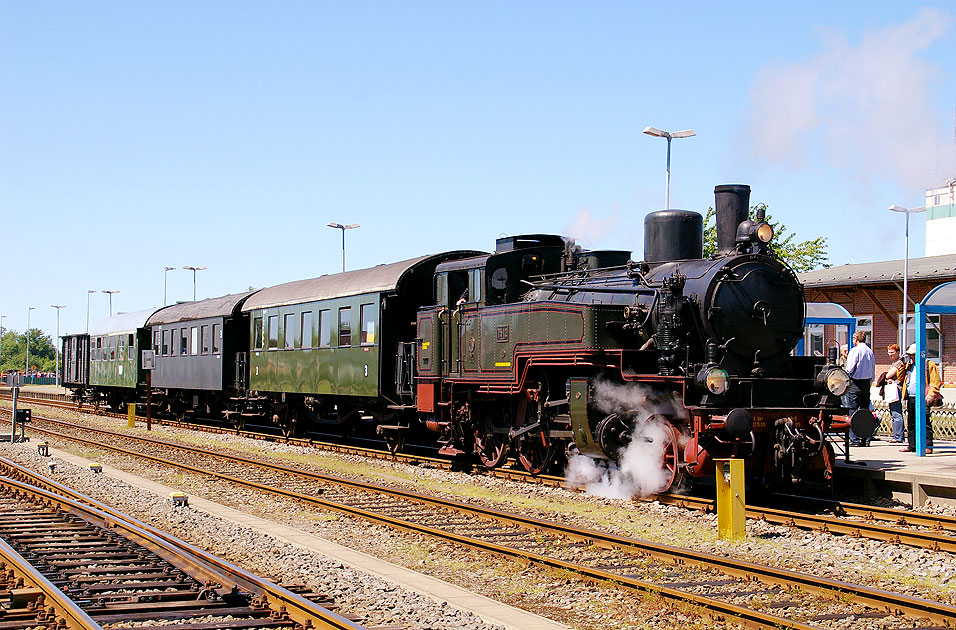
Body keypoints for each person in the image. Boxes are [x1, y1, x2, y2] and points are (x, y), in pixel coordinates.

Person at [899, 343, 941, 454]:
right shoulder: (909, 365)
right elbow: (900, 377)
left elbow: (936, 381)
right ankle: (912, 445)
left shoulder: (928, 364)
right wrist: (902, 364)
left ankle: (927, 445)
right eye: (910, 355)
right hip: (911, 397)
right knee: (911, 422)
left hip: (923, 398)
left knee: (925, 421)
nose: (911, 357)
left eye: (913, 354)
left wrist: (931, 395)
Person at [845, 331, 875, 446]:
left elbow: (850, 368)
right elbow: (872, 369)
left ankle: (854, 439)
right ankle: (866, 439)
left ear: (856, 339)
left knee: (853, 410)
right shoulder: (870, 351)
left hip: (855, 382)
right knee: (865, 411)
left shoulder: (855, 351)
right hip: (866, 383)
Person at [883, 344, 905, 443]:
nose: (890, 354)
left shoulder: (898, 363)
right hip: (895, 389)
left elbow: (888, 375)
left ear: (897, 352)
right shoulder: (895, 362)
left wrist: (888, 378)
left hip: (896, 390)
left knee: (896, 413)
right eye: (889, 352)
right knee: (894, 413)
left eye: (892, 352)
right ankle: (897, 435)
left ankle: (898, 437)